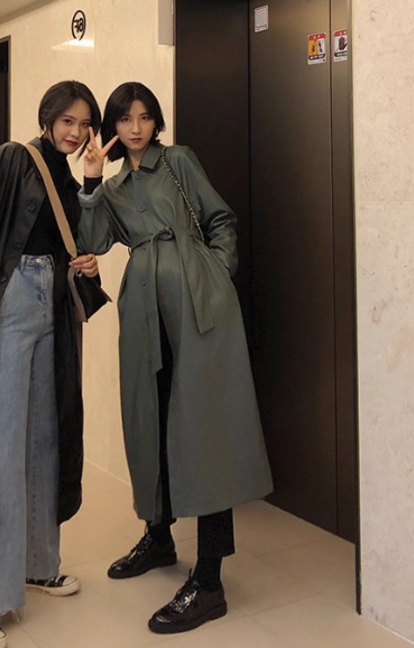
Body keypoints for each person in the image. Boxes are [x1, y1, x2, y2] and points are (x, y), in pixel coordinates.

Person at [79, 81, 273, 635]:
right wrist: (90, 180)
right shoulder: (114, 186)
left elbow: (220, 219)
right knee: (151, 418)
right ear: (112, 127)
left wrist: (216, 272)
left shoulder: (178, 161)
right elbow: (92, 239)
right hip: (144, 310)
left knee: (205, 431)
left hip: (198, 304)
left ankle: (209, 580)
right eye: (125, 119)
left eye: (144, 117)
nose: (135, 128)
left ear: (155, 120)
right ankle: (159, 536)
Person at [0, 80, 102, 648]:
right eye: (68, 120)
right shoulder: (13, 157)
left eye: (84, 123)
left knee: (44, 439)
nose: (76, 132)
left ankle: (37, 565)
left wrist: (93, 184)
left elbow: (81, 240)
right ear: (48, 117)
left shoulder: (69, 175)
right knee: (2, 445)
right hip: (13, 302)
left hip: (52, 306)